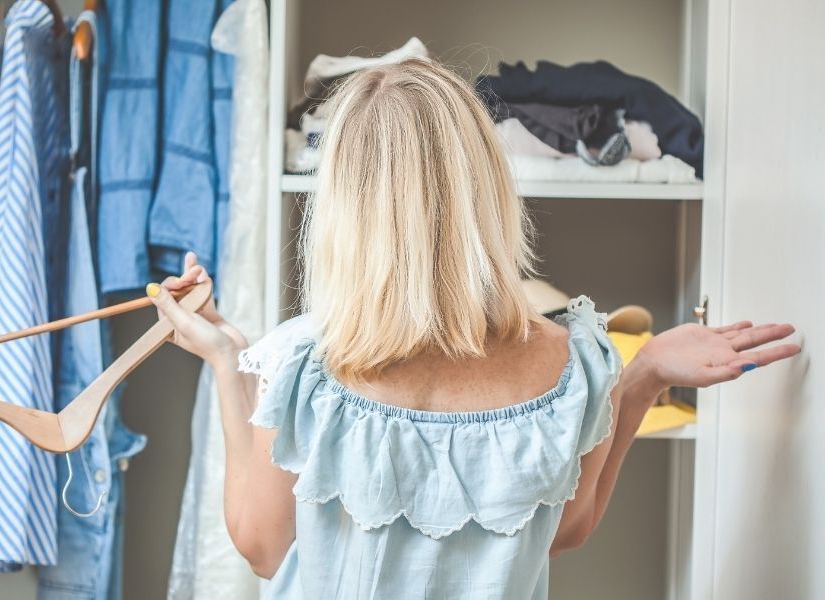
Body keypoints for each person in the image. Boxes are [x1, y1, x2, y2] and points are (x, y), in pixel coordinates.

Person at [146, 59, 800, 599]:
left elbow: (264, 548)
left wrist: (230, 362)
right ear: (484, 185)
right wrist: (647, 372)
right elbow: (565, 528)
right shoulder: (577, 361)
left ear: (342, 206)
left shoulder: (301, 363)